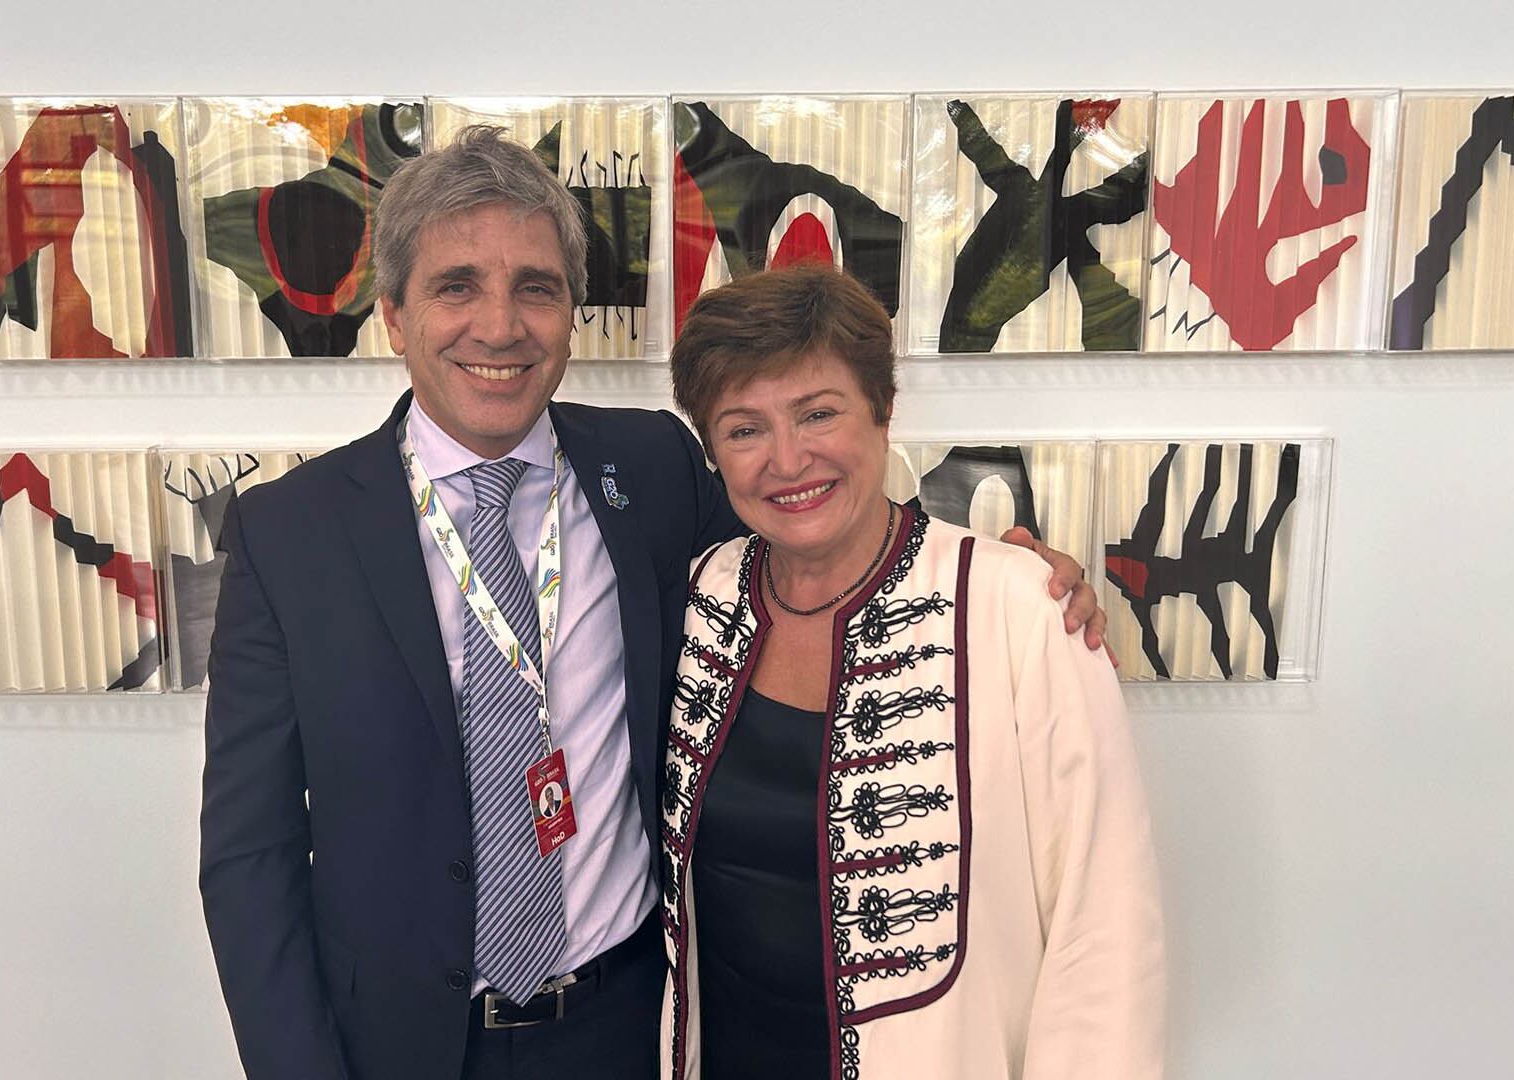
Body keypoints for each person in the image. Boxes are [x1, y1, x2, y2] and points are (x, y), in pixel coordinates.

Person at [198, 126, 1108, 1080]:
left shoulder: (651, 466)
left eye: (536, 288)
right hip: (399, 1046)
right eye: (456, 286)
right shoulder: (288, 534)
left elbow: (810, 530)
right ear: (393, 314)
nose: (500, 327)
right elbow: (250, 852)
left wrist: (988, 579)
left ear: (572, 311)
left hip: (631, 1027)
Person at [660, 264, 1164, 1080]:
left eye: (818, 413)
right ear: (713, 452)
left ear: (883, 409)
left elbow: (1103, 925)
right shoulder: (696, 597)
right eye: (744, 429)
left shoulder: (1022, 608)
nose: (787, 459)